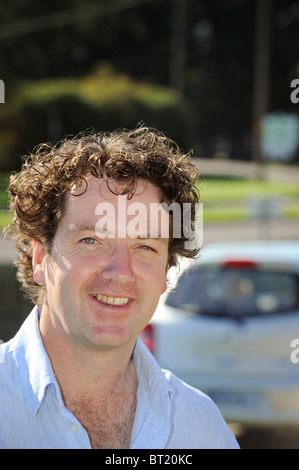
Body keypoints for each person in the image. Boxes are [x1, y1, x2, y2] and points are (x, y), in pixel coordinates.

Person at [0, 126, 239, 449]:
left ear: (166, 272)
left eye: (145, 247)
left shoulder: (200, 426)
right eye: (91, 240)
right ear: (41, 258)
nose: (120, 273)